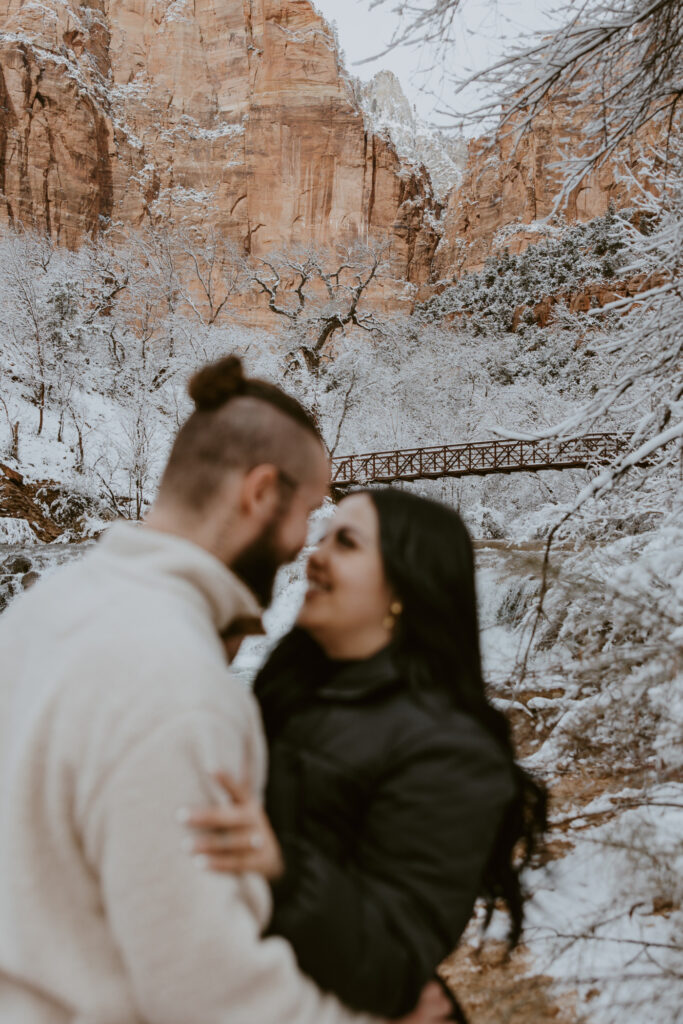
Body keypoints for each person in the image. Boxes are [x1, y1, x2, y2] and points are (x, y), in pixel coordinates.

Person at [0, 356, 451, 1024]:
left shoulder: (39, 612)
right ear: (260, 492)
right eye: (307, 514)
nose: (304, 547)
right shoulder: (176, 681)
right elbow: (208, 993)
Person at [184, 488, 548, 1019]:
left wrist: (282, 867)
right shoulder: (292, 686)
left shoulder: (453, 751)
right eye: (322, 537)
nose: (316, 555)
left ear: (406, 584)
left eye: (346, 543)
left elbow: (395, 960)